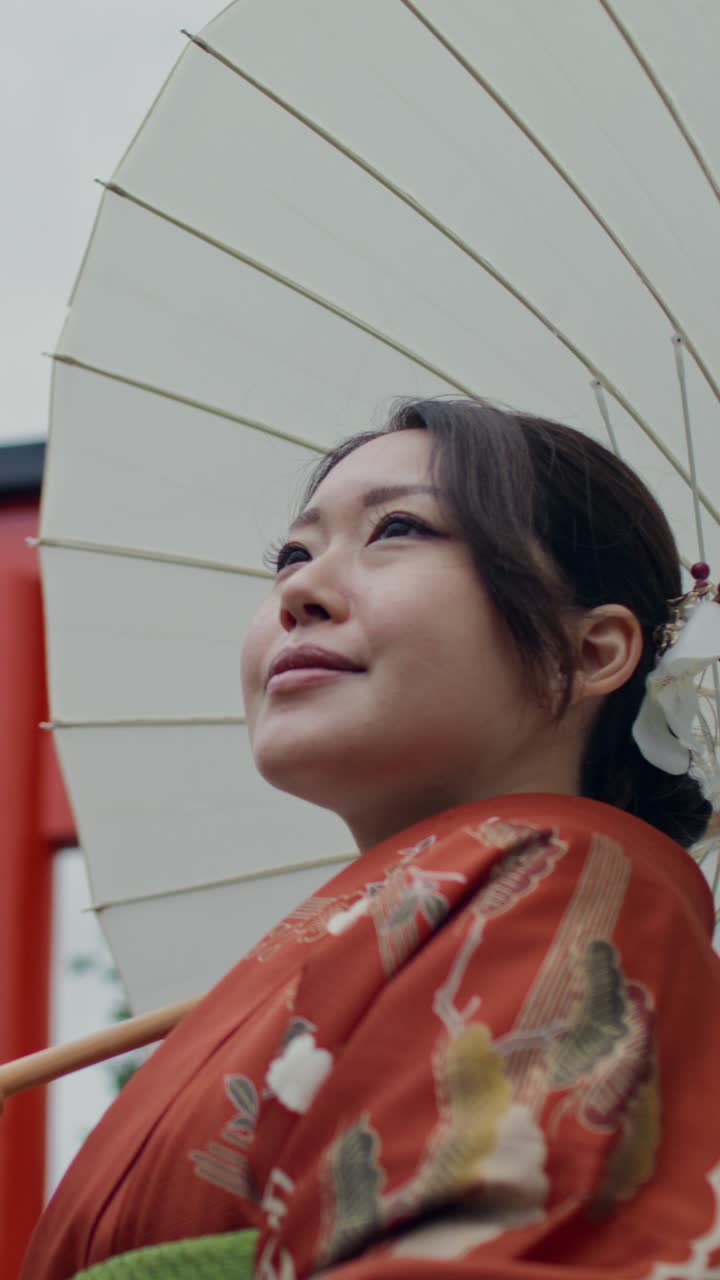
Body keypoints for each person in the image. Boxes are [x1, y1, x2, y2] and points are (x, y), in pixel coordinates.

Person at [23, 400, 720, 1279]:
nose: (297, 594)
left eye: (398, 528)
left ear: (590, 654)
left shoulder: (568, 877)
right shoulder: (388, 928)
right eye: (292, 554)